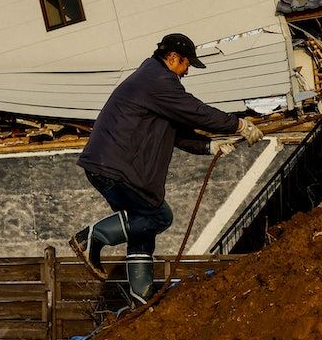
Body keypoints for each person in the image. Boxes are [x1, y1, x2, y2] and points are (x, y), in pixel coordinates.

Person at [69, 32, 264, 303]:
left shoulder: (149, 81)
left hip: (107, 164)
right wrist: (239, 125)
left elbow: (177, 130)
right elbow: (195, 112)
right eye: (186, 65)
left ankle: (141, 297)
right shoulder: (158, 81)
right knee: (158, 217)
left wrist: (209, 146)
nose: (186, 72)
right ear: (173, 58)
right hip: (118, 166)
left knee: (143, 226)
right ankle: (91, 238)